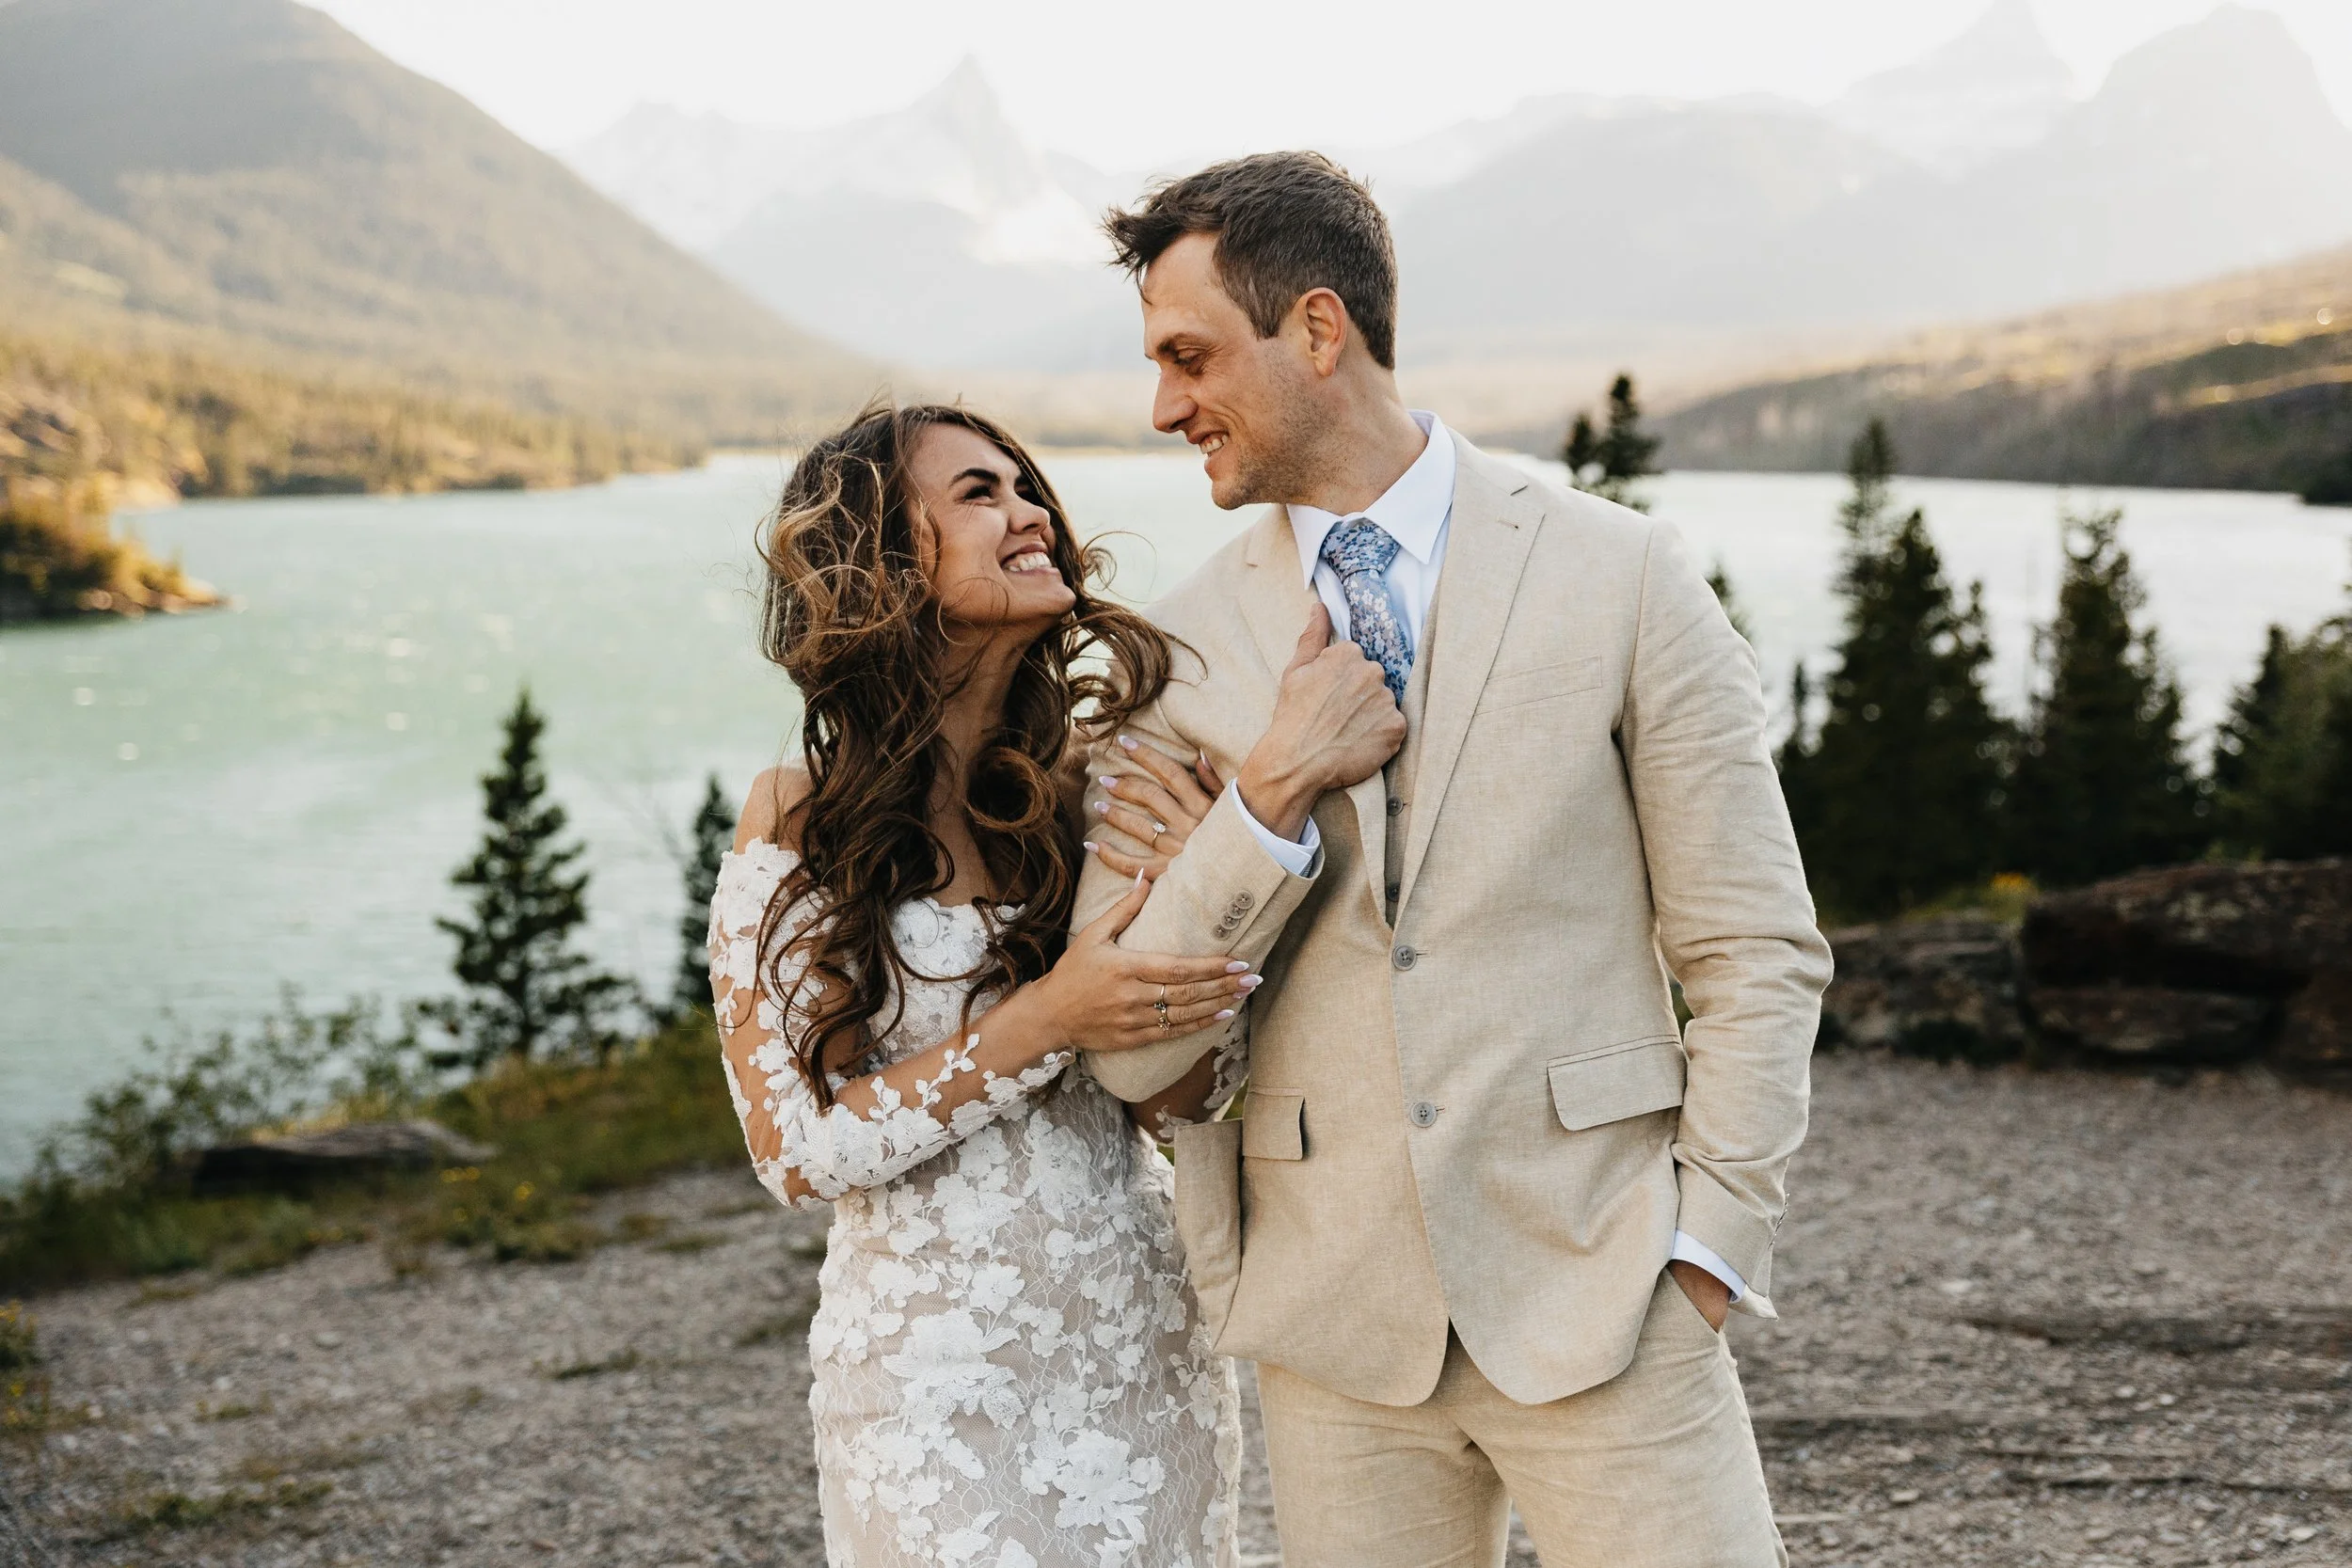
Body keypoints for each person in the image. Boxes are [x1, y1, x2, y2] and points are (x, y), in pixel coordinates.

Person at [1074, 152, 1834, 1568]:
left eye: (1187, 354)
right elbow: (1128, 1051)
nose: (1163, 404)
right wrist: (1267, 795)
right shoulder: (1175, 662)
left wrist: (1711, 1248)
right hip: (1336, 1332)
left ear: (1316, 330)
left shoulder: (1621, 574)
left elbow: (1756, 946)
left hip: (1609, 1292)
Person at [708, 401, 1260, 1568]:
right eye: (977, 493)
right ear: (879, 563)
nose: (1030, 515)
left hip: (1139, 1352)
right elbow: (795, 1152)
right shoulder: (796, 821)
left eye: (1025, 490)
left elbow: (1187, 1096)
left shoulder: (1090, 799)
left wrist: (1210, 880)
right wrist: (1049, 1015)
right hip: (929, 1389)